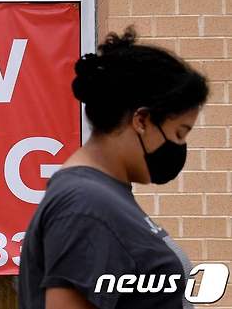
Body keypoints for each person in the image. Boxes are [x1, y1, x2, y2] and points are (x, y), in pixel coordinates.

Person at [19, 27, 209, 309]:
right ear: (142, 120)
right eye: (179, 133)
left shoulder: (105, 195)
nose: (179, 146)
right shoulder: (85, 204)